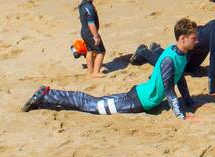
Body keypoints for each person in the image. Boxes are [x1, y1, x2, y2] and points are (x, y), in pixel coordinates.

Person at [24, 18, 199, 119]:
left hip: (140, 95)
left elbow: (179, 78)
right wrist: (181, 115)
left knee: (94, 103)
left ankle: (47, 97)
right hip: (138, 101)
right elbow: (169, 89)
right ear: (183, 38)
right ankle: (47, 94)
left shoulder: (181, 55)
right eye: (194, 38)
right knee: (93, 105)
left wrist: (189, 101)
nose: (197, 41)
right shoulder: (170, 58)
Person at [77, 0, 105, 77]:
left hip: (84, 32)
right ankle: (96, 72)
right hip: (90, 33)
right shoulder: (89, 8)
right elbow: (91, 23)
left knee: (89, 51)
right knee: (101, 52)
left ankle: (90, 70)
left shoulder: (82, 5)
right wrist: (96, 36)